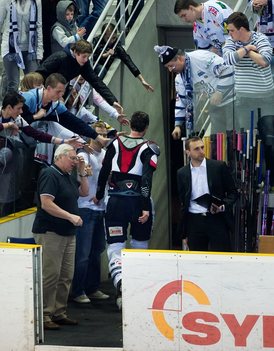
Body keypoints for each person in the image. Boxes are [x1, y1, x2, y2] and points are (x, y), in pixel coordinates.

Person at [94, 111, 159, 310]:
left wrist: (98, 194)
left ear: (130, 124)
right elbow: (147, 180)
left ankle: (121, 284)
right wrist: (145, 206)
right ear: (146, 126)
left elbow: (104, 171)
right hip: (138, 202)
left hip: (115, 202)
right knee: (140, 244)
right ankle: (138, 291)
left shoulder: (114, 143)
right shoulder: (151, 147)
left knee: (115, 247)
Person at [33, 144, 89, 330]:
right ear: (60, 157)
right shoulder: (50, 174)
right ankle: (45, 314)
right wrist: (70, 216)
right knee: (51, 275)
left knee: (66, 275)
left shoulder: (67, 176)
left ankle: (59, 311)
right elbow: (46, 204)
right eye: (72, 158)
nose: (75, 162)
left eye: (76, 159)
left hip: (67, 232)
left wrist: (82, 172)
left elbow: (85, 192)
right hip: (51, 231)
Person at [154, 45, 234, 139]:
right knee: (216, 140)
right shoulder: (180, 78)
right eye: (167, 67)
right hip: (215, 106)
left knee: (233, 137)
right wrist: (178, 125)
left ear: (179, 58)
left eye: (171, 66)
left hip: (233, 100)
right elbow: (182, 101)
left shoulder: (201, 57)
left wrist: (220, 91)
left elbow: (228, 69)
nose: (170, 70)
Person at [177, 136, 238, 252]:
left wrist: (222, 206)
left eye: (202, 147)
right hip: (194, 221)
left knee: (221, 257)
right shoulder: (182, 173)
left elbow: (233, 193)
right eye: (196, 149)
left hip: (216, 219)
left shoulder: (218, 167)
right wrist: (184, 232)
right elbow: (183, 202)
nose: (201, 151)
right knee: (197, 260)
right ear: (187, 152)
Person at [72, 121, 110, 303]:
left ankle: (93, 287)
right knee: (83, 253)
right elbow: (82, 173)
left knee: (97, 250)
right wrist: (83, 171)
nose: (104, 136)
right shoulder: (83, 154)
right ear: (91, 135)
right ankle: (78, 290)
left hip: (101, 207)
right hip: (85, 207)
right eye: (100, 133)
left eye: (105, 133)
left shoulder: (105, 154)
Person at [20, 73, 109, 148]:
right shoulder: (29, 98)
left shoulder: (56, 105)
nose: (60, 96)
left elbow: (75, 122)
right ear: (49, 88)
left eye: (62, 92)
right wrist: (36, 116)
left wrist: (97, 137)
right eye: (58, 92)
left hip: (32, 136)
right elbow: (17, 121)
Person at [36, 39, 123, 114]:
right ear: (75, 52)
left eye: (88, 57)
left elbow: (96, 81)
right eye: (84, 56)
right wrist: (44, 92)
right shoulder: (60, 57)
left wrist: (112, 101)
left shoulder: (83, 63)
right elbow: (40, 73)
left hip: (60, 92)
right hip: (45, 91)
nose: (86, 60)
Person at [223, 11, 274, 130]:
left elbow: (264, 61)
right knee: (246, 136)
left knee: (269, 136)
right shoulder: (231, 41)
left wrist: (244, 51)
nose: (229, 33)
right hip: (244, 98)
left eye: (231, 30)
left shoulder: (260, 38)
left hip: (265, 97)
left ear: (241, 29)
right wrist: (248, 48)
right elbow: (228, 59)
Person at [93, 22, 154, 94]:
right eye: (108, 38)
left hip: (104, 68)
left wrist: (142, 80)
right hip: (95, 65)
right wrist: (105, 54)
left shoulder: (116, 45)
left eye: (113, 37)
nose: (111, 41)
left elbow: (128, 60)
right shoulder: (96, 40)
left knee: (102, 70)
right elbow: (93, 56)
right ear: (103, 35)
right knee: (101, 69)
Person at [0, 0, 43, 94]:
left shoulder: (37, 2)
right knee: (13, 84)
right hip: (10, 48)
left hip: (30, 49)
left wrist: (39, 52)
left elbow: (38, 26)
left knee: (34, 83)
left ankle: (30, 108)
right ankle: (7, 107)